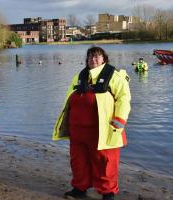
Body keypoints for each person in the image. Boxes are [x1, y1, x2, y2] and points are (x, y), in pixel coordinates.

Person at [52, 46, 131, 200]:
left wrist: (120, 119)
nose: (93, 60)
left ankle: (108, 193)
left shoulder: (114, 76)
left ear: (104, 59)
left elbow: (124, 98)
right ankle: (79, 189)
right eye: (90, 57)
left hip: (103, 130)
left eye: (97, 57)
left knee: (105, 162)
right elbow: (69, 99)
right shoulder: (79, 76)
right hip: (78, 131)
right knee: (78, 161)